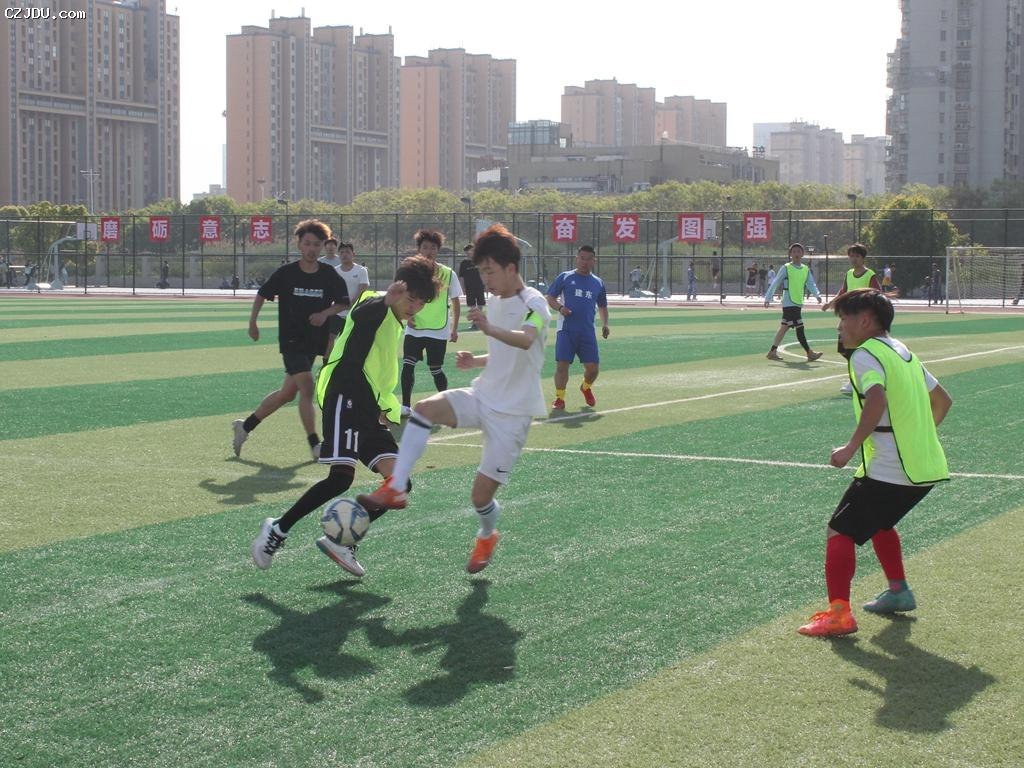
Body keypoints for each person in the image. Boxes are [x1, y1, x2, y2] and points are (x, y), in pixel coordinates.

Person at [356, 223, 551, 575]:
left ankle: (487, 535)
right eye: (481, 272)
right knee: (424, 409)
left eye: (490, 271)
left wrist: (488, 329)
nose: (485, 280)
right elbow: (506, 354)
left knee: (480, 498)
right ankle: (396, 486)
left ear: (511, 268)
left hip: (513, 414)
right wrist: (477, 361)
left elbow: (525, 340)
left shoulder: (534, 302)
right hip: (483, 394)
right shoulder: (496, 301)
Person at [250, 256, 439, 575]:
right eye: (411, 299)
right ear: (397, 289)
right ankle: (277, 529)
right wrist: (385, 301)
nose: (414, 307)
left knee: (400, 483)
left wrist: (385, 410)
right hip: (345, 395)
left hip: (369, 408)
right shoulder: (374, 303)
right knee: (341, 477)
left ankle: (341, 542)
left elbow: (380, 370)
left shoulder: (397, 321)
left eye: (421, 303)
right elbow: (360, 317)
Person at [798, 288, 952, 637]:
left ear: (865, 320)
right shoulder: (903, 352)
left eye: (844, 319)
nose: (839, 327)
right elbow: (943, 401)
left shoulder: (865, 354)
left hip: (891, 468)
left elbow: (876, 399)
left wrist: (850, 447)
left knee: (840, 530)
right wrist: (916, 438)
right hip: (924, 467)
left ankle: (839, 615)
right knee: (880, 522)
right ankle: (898, 591)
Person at [232, 219, 350, 461]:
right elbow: (262, 294)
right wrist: (252, 322)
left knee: (287, 394)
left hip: (312, 342)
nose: (312, 249)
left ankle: (245, 426)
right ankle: (315, 444)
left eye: (316, 244)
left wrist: (324, 314)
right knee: (307, 387)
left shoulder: (328, 274)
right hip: (291, 341)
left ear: (322, 246)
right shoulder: (286, 273)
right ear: (299, 245)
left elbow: (343, 302)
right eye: (307, 243)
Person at [400, 229, 463, 417]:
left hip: (438, 329)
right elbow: (401, 296)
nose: (429, 251)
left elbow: (456, 301)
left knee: (436, 369)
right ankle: (405, 406)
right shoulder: (410, 272)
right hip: (415, 327)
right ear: (418, 249)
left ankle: (446, 404)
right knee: (408, 365)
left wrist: (454, 329)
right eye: (425, 247)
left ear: (438, 250)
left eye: (433, 248)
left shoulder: (448, 273)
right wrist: (408, 317)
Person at [546, 245, 610, 409]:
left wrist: (605, 324)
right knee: (562, 364)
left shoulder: (598, 283)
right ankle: (560, 398)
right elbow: (550, 297)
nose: (584, 262)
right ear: (577, 258)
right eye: (582, 258)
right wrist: (560, 308)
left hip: (587, 331)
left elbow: (602, 306)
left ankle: (586, 387)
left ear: (594, 261)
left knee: (593, 369)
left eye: (588, 259)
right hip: (566, 330)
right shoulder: (565, 277)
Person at [822, 243, 883, 394]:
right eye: (851, 256)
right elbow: (843, 292)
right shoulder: (849, 274)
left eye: (857, 256)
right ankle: (858, 377)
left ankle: (855, 380)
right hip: (849, 316)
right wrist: (830, 303)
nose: (854, 259)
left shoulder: (870, 275)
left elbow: (878, 293)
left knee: (857, 349)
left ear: (863, 258)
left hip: (861, 318)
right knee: (844, 347)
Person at [764, 243, 824, 362]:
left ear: (802, 254)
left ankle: (772, 352)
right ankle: (809, 353)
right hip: (788, 302)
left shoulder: (805, 269)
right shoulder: (786, 268)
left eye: (799, 251)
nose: (796, 253)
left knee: (784, 327)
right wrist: (768, 298)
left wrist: (817, 295)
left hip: (798, 302)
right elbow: (776, 282)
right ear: (790, 254)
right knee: (800, 327)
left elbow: (811, 283)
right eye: (794, 251)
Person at [325, 241, 371, 358]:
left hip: (354, 312)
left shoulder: (361, 270)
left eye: (347, 252)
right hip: (337, 312)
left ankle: (348, 363)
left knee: (350, 341)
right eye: (341, 252)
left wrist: (351, 304)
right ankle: (326, 363)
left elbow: (363, 289)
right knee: (329, 337)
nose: (344, 254)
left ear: (353, 254)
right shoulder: (335, 271)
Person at [458, 243, 486, 328]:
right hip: (469, 288)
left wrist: (486, 284)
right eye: (466, 251)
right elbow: (461, 277)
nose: (468, 253)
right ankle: (474, 323)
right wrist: (463, 288)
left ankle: (478, 322)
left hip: (480, 287)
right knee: (472, 306)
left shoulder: (480, 261)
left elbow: (484, 273)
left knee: (480, 305)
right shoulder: (464, 263)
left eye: (469, 251)